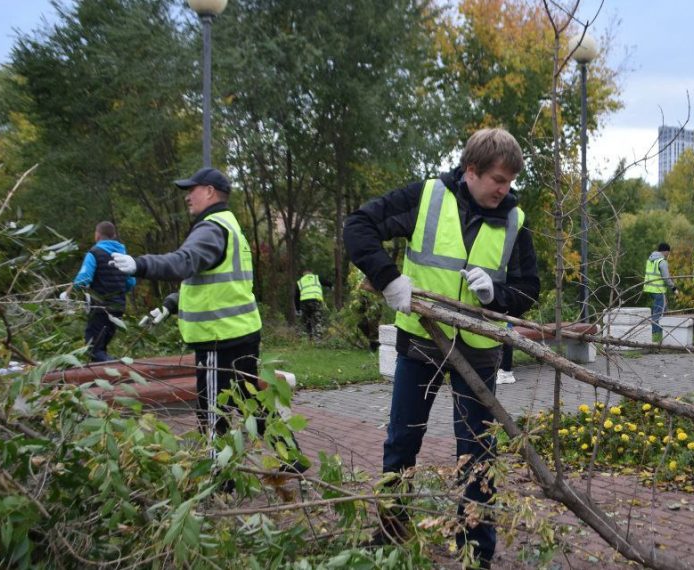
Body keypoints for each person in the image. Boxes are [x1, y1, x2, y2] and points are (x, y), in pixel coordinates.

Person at [343, 128, 540, 567]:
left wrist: (497, 295)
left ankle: (475, 550)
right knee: (402, 442)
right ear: (471, 171)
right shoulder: (428, 196)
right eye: (498, 180)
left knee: (477, 451)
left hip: (479, 349)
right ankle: (392, 534)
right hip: (421, 343)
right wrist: (387, 278)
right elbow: (358, 226)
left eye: (510, 181)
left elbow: (530, 289)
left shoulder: (513, 220)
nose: (505, 190)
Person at [108, 167, 305, 474]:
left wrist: (140, 264)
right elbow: (211, 280)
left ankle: (219, 479)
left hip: (218, 339)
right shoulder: (230, 226)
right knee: (251, 401)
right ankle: (291, 455)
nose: (188, 196)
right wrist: (171, 304)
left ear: (210, 192)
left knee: (214, 413)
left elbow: (184, 262)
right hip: (240, 332)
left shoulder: (210, 228)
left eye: (193, 189)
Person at [63, 221, 135, 362]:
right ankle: (110, 375)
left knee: (93, 349)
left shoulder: (94, 253)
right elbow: (131, 282)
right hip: (118, 308)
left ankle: (115, 371)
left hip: (100, 308)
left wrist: (68, 293)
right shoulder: (124, 256)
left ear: (97, 235)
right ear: (113, 235)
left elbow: (83, 279)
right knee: (101, 347)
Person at [643, 243, 674, 334]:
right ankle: (656, 332)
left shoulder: (650, 260)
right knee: (659, 311)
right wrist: (674, 287)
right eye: (668, 252)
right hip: (659, 290)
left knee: (660, 309)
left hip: (650, 289)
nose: (668, 255)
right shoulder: (662, 261)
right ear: (665, 251)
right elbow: (666, 278)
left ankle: (660, 330)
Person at [294, 268, 326, 341]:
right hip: (316, 301)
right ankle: (318, 340)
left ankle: (309, 338)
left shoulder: (300, 281)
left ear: (303, 274)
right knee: (318, 319)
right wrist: (331, 286)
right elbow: (326, 282)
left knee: (306, 320)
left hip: (304, 302)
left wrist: (297, 309)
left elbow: (296, 296)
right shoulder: (316, 278)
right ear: (311, 272)